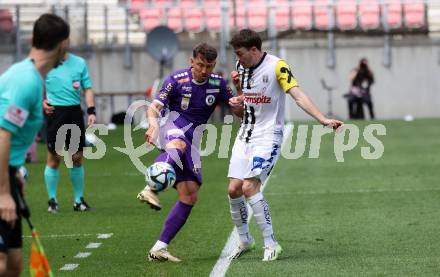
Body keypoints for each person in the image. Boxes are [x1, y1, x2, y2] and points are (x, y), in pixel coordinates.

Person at [227, 29, 344, 261]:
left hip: (268, 135)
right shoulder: (241, 68)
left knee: (250, 188)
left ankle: (271, 243)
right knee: (233, 190)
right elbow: (244, 107)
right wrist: (237, 100)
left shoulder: (277, 66)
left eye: (240, 54)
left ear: (254, 50)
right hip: (245, 134)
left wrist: (322, 118)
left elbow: (298, 95)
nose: (237, 59)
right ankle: (244, 240)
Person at [136, 43, 243, 262]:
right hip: (171, 126)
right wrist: (153, 124)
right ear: (191, 61)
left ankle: (159, 248)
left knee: (190, 194)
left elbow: (240, 112)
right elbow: (154, 106)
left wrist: (239, 90)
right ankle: (149, 187)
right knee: (178, 142)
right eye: (200, 65)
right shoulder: (176, 80)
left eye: (209, 66)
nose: (204, 70)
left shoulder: (219, 84)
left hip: (193, 138)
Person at [0, 13, 69, 276]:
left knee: (14, 262)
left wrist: (15, 171)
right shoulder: (26, 81)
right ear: (63, 44)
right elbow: (3, 135)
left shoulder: (28, 76)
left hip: (7, 171)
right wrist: (3, 193)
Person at [42, 51, 96, 213]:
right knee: (54, 158)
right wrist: (41, 101)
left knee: (76, 158)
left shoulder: (79, 62)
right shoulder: (45, 61)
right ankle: (52, 201)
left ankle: (78, 201)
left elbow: (88, 88)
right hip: (54, 113)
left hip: (74, 113)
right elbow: (34, 85)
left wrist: (91, 111)